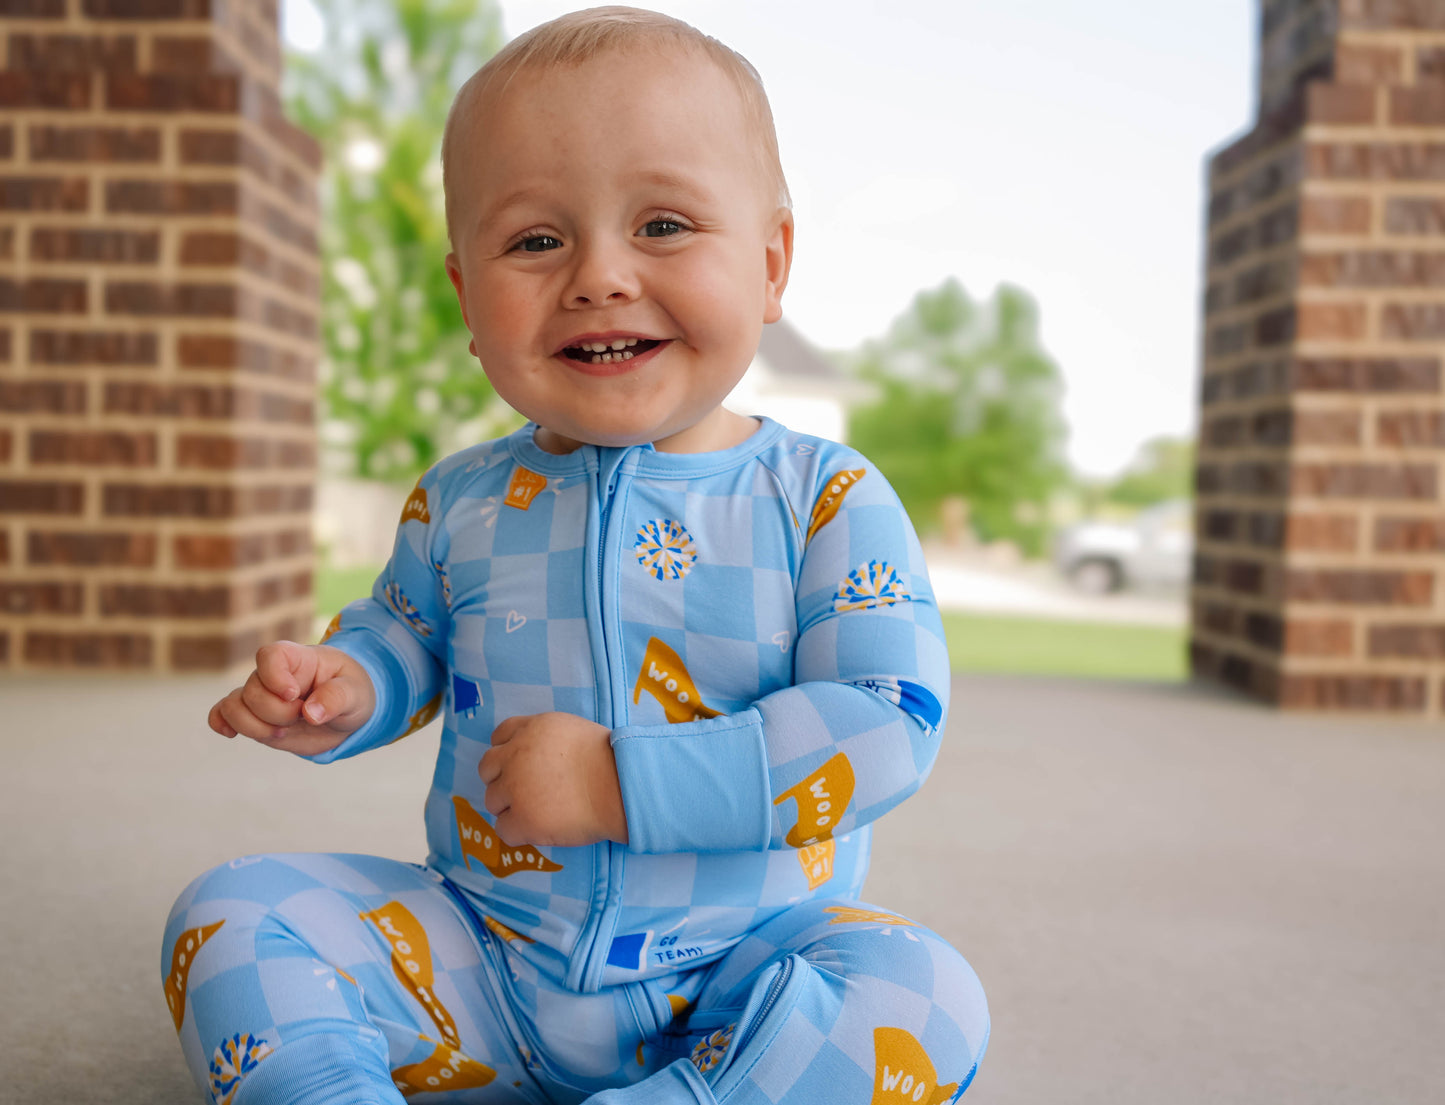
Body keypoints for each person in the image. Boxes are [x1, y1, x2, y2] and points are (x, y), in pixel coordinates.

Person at [163, 8, 988, 1104]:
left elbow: (885, 721)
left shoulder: (822, 498)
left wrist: (618, 782)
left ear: (772, 261)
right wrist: (349, 683)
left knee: (920, 996)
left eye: (662, 224)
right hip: (485, 960)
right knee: (231, 913)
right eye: (536, 240)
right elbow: (405, 633)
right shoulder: (457, 499)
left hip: (742, 980)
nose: (599, 275)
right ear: (468, 296)